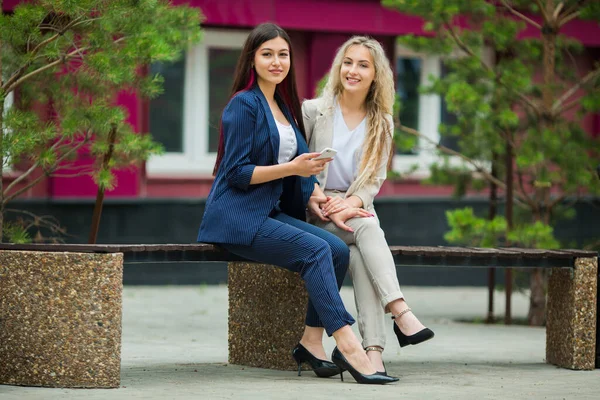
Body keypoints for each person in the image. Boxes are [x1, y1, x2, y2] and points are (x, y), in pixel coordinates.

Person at [197, 23, 396, 385]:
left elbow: (301, 171)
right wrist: (293, 167)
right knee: (317, 252)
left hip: (269, 212)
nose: (276, 61)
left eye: (283, 54)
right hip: (238, 219)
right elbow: (237, 174)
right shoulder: (243, 105)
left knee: (335, 250)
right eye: (267, 54)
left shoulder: (283, 107)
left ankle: (310, 340)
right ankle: (349, 345)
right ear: (252, 59)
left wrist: (316, 197)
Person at [302, 36, 435, 375]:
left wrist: (351, 203)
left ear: (376, 75)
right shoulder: (314, 111)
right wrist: (315, 197)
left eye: (363, 65)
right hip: (316, 210)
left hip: (355, 208)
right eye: (348, 62)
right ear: (338, 67)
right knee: (369, 227)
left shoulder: (382, 122)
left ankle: (372, 353)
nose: (353, 70)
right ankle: (400, 312)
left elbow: (373, 180)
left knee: (361, 251)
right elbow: (295, 165)